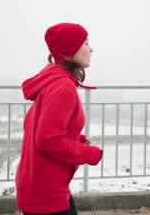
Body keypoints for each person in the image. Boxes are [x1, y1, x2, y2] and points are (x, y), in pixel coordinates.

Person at [15, 23, 103, 215]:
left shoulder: (55, 82)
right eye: (86, 43)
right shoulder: (62, 87)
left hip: (45, 186)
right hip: (45, 192)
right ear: (71, 50)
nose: (91, 49)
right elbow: (48, 140)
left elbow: (39, 126)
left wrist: (74, 138)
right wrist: (90, 154)